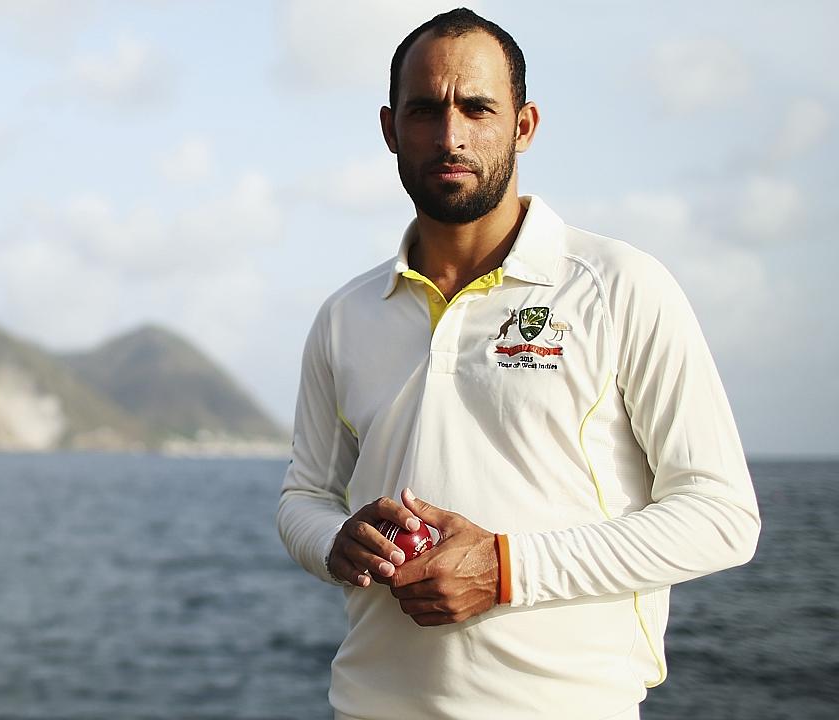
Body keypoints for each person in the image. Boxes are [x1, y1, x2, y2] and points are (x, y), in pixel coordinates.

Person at [276, 8, 760, 720]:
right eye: (424, 111)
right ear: (389, 130)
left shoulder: (620, 286)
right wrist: (334, 542)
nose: (451, 136)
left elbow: (721, 516)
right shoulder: (347, 314)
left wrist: (507, 569)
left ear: (524, 125)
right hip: (369, 706)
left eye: (478, 107)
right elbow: (303, 498)